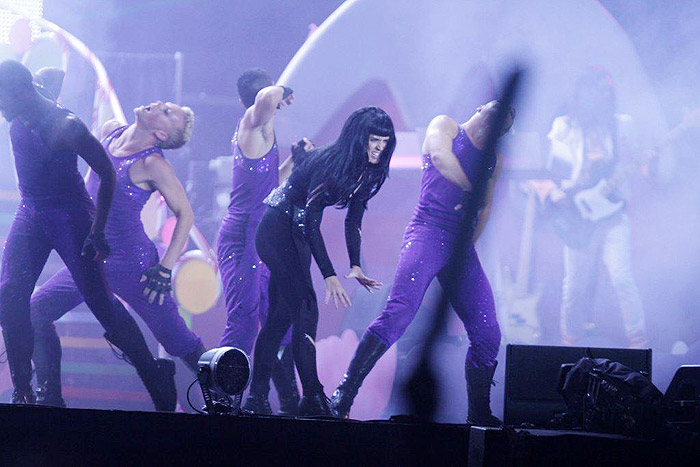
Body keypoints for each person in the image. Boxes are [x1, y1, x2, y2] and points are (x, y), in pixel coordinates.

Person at [0, 60, 174, 409]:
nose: (1, 108)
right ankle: (24, 393)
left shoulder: (66, 125)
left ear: (20, 92)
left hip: (70, 215)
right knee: (10, 295)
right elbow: (52, 74)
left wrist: (96, 231)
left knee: (101, 304)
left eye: (4, 99)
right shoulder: (27, 96)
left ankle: (153, 372)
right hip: (31, 210)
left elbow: (107, 173)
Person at [330, 101, 515, 426]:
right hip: (427, 231)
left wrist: (468, 241)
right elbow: (442, 158)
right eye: (497, 112)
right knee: (397, 315)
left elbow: (485, 209)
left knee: (487, 332)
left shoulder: (493, 161)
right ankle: (344, 394)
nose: (499, 120)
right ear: (481, 107)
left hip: (459, 247)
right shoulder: (445, 125)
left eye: (506, 121)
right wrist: (469, 191)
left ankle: (478, 413)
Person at [29, 95, 204, 407]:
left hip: (133, 265)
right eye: (163, 104)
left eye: (166, 112)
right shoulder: (110, 131)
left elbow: (186, 215)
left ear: (162, 136)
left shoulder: (154, 164)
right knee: (36, 310)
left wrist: (164, 268)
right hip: (92, 256)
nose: (158, 104)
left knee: (179, 341)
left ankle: (223, 403)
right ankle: (50, 398)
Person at [244, 106, 396, 416]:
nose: (379, 148)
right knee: (306, 309)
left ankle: (257, 398)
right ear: (358, 139)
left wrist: (355, 265)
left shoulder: (367, 171)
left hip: (295, 231)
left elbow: (353, 220)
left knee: (280, 318)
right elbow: (311, 223)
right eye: (373, 141)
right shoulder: (331, 163)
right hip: (277, 228)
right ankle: (311, 396)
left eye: (384, 142)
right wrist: (328, 274)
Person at [216, 68, 300, 414]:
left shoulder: (263, 132)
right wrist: (281, 88)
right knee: (244, 322)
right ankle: (221, 400)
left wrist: (297, 161)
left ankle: (286, 401)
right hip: (242, 240)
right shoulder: (251, 122)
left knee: (278, 323)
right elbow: (265, 99)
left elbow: (269, 185)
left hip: (261, 239)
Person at [547, 67, 648, 348]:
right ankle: (570, 341)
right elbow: (555, 173)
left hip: (613, 212)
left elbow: (636, 161)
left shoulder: (620, 124)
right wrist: (561, 192)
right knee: (574, 285)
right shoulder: (564, 127)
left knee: (621, 276)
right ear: (584, 93)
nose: (604, 97)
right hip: (579, 213)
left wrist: (644, 165)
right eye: (599, 90)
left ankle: (638, 342)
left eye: (608, 91)